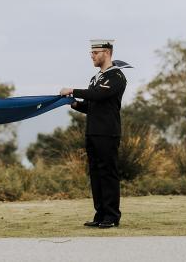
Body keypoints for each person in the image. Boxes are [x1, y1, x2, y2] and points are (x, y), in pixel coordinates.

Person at [60, 39, 127, 229]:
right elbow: (91, 106)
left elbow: (98, 95)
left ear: (106, 52)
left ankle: (112, 216)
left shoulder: (116, 77)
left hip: (108, 133)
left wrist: (73, 90)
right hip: (93, 132)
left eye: (95, 52)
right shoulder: (96, 78)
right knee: (96, 175)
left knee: (108, 174)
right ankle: (100, 213)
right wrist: (74, 104)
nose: (92, 56)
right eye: (91, 53)